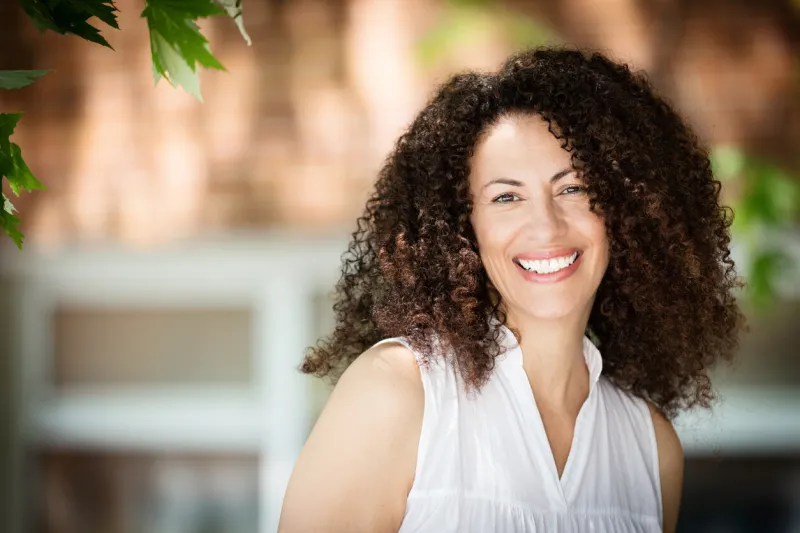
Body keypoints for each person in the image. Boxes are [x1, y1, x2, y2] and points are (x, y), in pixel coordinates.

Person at [278, 46, 746, 533]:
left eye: (573, 188)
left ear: (627, 210)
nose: (545, 226)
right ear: (463, 229)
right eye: (506, 197)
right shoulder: (399, 392)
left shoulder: (652, 449)